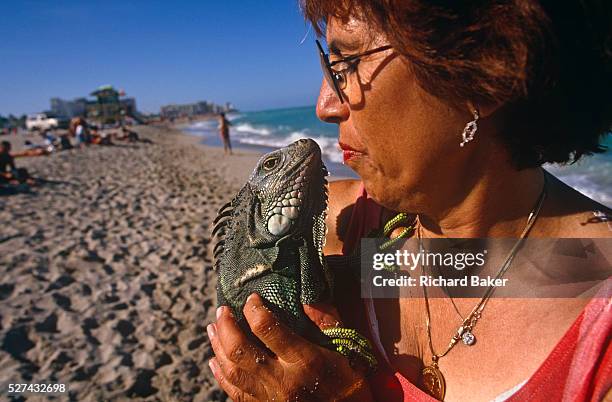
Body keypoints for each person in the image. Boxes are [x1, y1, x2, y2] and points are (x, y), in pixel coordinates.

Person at [208, 1, 612, 401]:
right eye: (328, 64)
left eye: (347, 63)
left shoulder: (599, 340)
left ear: (484, 72)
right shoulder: (343, 226)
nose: (325, 106)